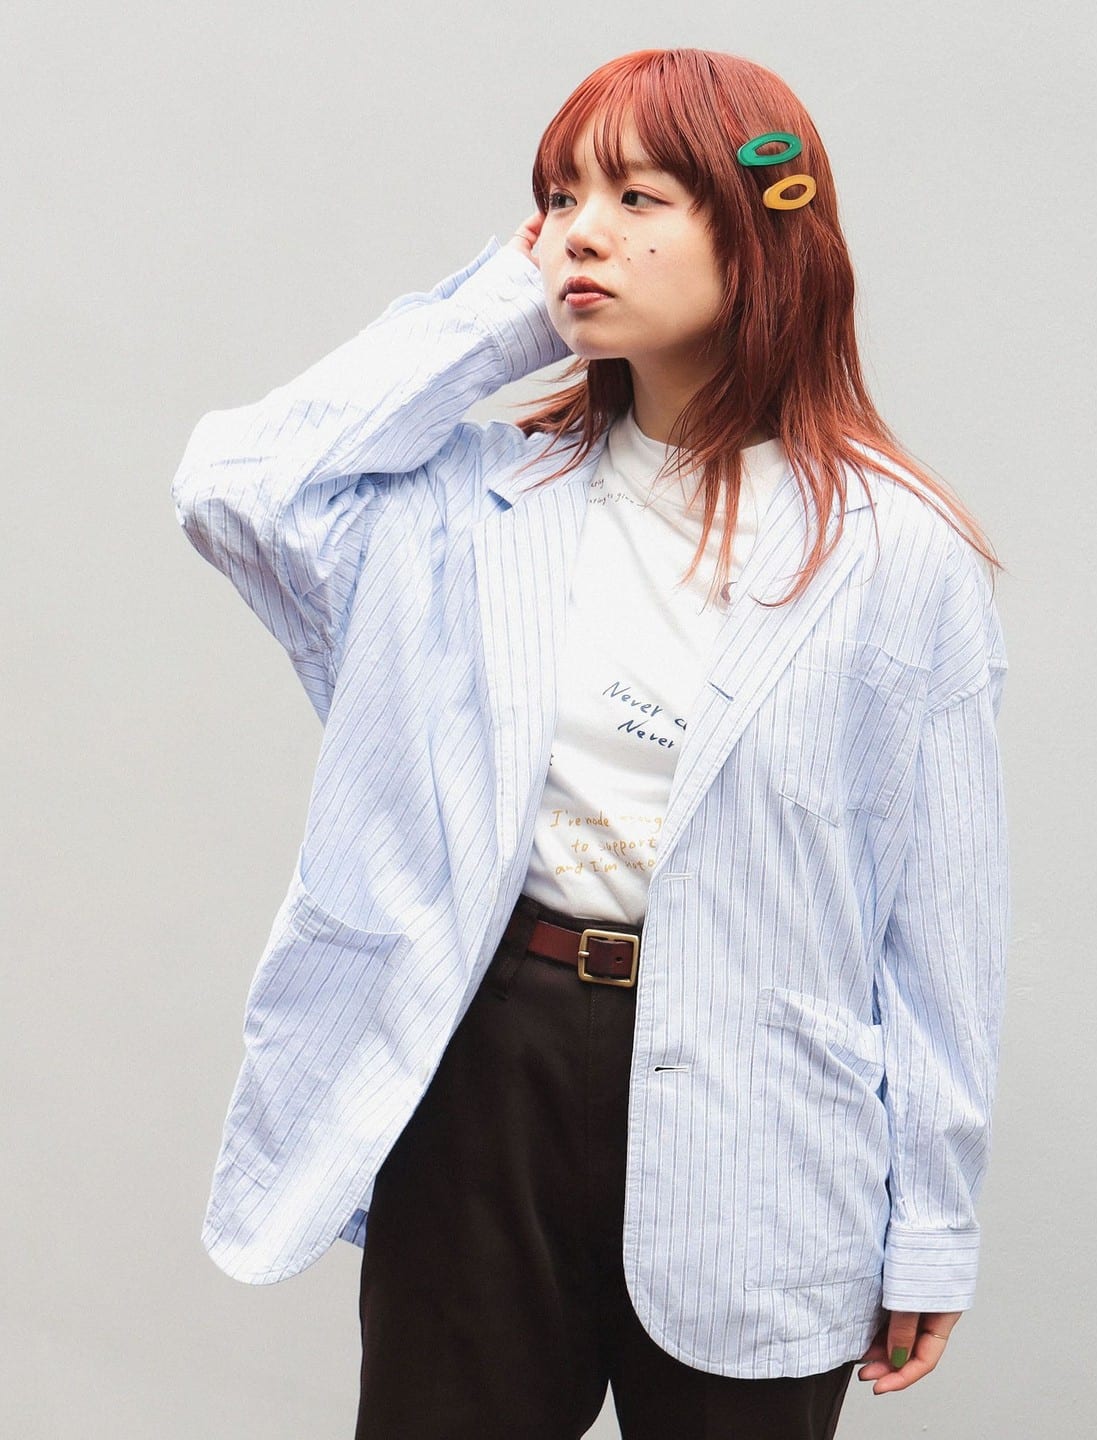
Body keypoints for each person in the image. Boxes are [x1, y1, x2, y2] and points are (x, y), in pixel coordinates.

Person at [171, 47, 1010, 1440]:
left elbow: (941, 917)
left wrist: (933, 1215)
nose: (580, 233)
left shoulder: (898, 557)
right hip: (488, 1068)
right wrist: (503, 313)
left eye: (638, 197)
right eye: (560, 200)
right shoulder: (468, 505)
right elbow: (236, 487)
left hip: (763, 1114)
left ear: (761, 231)